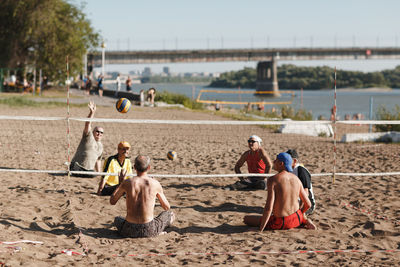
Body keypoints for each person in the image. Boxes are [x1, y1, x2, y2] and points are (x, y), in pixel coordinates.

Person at [243, 152, 316, 230]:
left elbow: (268, 208)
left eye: (276, 160)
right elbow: (308, 204)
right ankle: (305, 221)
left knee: (246, 219)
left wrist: (261, 227)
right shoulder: (296, 179)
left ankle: (303, 221)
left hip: (281, 222)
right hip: (297, 218)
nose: (274, 162)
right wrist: (301, 213)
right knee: (296, 217)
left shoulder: (273, 180)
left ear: (281, 163)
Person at [111, 155, 175, 238]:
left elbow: (112, 201)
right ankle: (158, 232)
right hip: (149, 229)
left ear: (134, 167)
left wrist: (120, 184)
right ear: (149, 167)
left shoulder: (127, 182)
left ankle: (156, 231)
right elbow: (166, 207)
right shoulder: (154, 183)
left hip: (128, 229)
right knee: (170, 214)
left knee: (117, 219)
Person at [70, 101, 104, 177]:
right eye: (97, 131)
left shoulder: (101, 146)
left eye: (101, 132)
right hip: (77, 167)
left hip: (88, 170)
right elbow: (88, 123)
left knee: (93, 174)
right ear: (93, 132)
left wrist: (99, 173)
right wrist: (92, 113)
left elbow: (98, 160)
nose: (99, 133)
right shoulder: (88, 136)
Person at [286, 149, 316, 215]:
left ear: (294, 161)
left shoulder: (301, 171)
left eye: (287, 160)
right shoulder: (288, 170)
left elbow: (306, 193)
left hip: (307, 204)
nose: (285, 162)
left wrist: (300, 209)